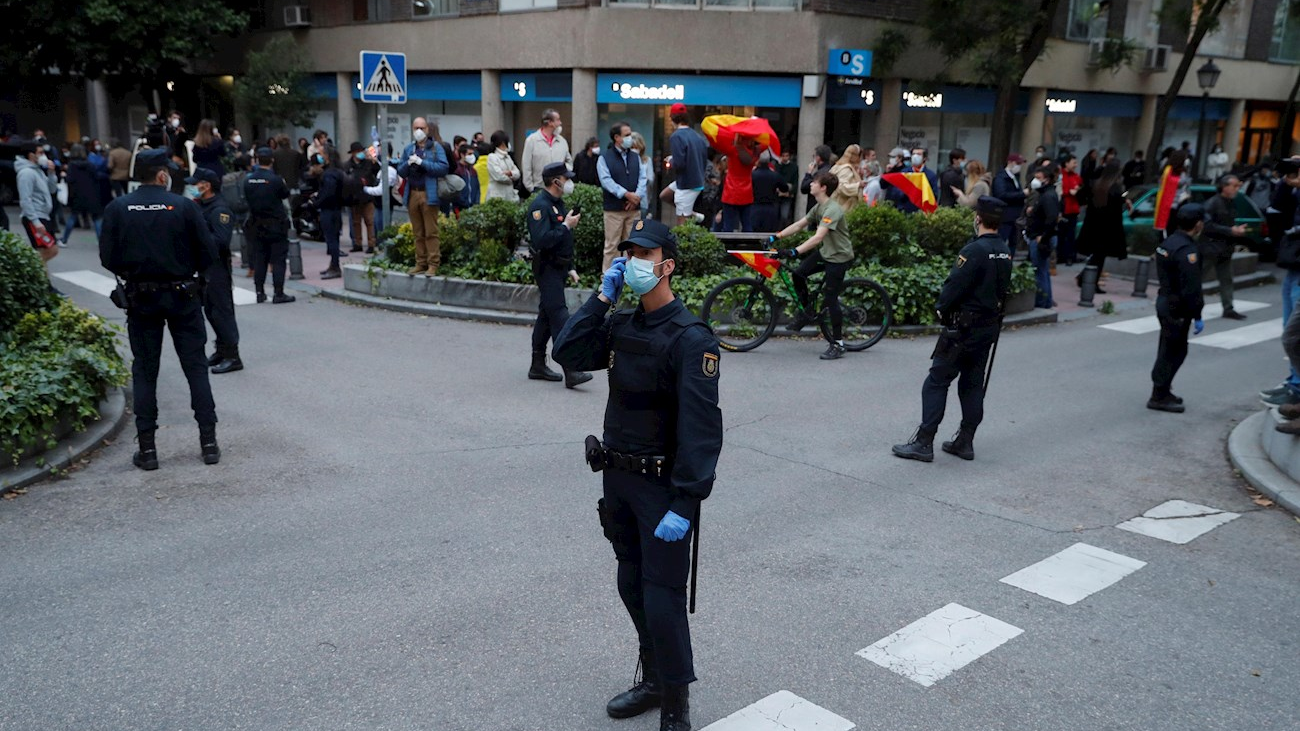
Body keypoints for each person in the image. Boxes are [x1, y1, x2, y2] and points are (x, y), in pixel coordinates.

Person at [551, 218, 722, 731]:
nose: (634, 264)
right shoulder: (623, 323)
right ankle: (651, 679)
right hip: (618, 480)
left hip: (662, 489)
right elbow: (569, 352)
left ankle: (675, 703)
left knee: (663, 598)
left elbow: (702, 429)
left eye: (644, 256)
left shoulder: (692, 339)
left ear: (667, 265)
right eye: (629, 254)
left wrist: (687, 502)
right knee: (631, 584)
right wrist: (600, 300)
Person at [99, 149, 221, 469]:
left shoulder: (117, 208)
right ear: (162, 175)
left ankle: (149, 450)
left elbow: (107, 257)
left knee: (145, 371)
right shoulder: (183, 206)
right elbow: (208, 252)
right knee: (195, 367)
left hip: (141, 299)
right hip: (184, 296)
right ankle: (209, 443)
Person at [893, 196, 1013, 462]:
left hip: (962, 328)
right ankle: (965, 441)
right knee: (972, 384)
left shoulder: (973, 250)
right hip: (987, 327)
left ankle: (924, 442)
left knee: (936, 381)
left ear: (978, 218)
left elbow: (953, 286)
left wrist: (942, 309)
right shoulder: (1005, 250)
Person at [770, 171, 855, 360]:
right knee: (798, 274)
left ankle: (838, 344)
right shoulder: (819, 207)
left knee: (830, 300)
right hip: (826, 253)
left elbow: (818, 237)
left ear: (823, 187)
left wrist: (795, 251)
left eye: (814, 182)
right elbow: (799, 225)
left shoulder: (832, 209)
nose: (810, 184)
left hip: (839, 257)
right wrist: (777, 236)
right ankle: (806, 313)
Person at [526, 162, 592, 389]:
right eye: (566, 178)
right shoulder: (540, 206)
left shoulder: (557, 203)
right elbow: (541, 240)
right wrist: (566, 226)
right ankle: (571, 370)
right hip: (547, 268)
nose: (569, 182)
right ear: (556, 181)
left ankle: (537, 364)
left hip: (559, 267)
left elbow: (564, 240)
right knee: (560, 316)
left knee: (546, 315)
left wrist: (571, 266)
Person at [1148, 204, 1206, 413]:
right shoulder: (1187, 250)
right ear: (1198, 224)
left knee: (1168, 348)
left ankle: (1163, 390)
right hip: (1177, 308)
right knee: (1174, 352)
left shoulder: (1168, 243)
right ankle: (1159, 395)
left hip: (1165, 302)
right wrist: (1197, 313)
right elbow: (1191, 287)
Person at [184, 168, 242, 375]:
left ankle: (233, 355)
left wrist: (197, 237)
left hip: (216, 267)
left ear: (206, 186)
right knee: (210, 310)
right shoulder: (201, 206)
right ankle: (222, 349)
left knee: (221, 311)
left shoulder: (219, 210)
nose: (192, 187)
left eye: (195, 183)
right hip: (203, 267)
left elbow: (220, 241)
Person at [243, 147, 297, 304]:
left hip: (256, 224)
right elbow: (285, 195)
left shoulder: (248, 180)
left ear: (257, 160)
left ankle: (259, 292)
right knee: (278, 259)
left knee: (260, 259)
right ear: (272, 160)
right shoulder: (276, 180)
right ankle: (278, 293)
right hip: (276, 224)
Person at [397, 117, 450, 276]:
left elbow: (443, 168)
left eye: (422, 128)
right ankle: (420, 263)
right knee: (417, 232)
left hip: (429, 193)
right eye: (416, 128)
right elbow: (401, 171)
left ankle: (433, 264)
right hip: (412, 192)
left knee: (431, 232)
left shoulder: (435, 148)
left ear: (428, 129)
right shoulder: (408, 149)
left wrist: (422, 163)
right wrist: (409, 163)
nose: (419, 131)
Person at [598, 121, 648, 271]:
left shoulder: (635, 157)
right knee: (612, 246)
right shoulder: (604, 158)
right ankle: (609, 280)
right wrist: (626, 195)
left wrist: (636, 197)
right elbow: (606, 181)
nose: (630, 138)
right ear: (617, 138)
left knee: (633, 245)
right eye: (627, 135)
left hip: (633, 210)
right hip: (614, 210)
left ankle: (631, 279)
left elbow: (642, 178)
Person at [1076, 159, 1129, 292]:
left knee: (1097, 255)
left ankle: (1086, 278)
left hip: (1094, 224)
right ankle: (1089, 280)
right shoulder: (1114, 187)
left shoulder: (1096, 184)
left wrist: (1088, 204)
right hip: (1107, 227)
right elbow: (1116, 207)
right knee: (1100, 256)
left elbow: (1080, 196)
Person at [1201, 174, 1248, 320]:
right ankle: (1185, 305)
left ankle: (1228, 308)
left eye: (1238, 186)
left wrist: (1235, 230)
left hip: (1225, 247)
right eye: (1234, 186)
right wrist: (1231, 230)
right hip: (1210, 248)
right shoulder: (1212, 203)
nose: (1237, 189)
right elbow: (1207, 226)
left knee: (1226, 279)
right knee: (1196, 278)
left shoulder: (1230, 203)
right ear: (1224, 187)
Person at [15, 141, 60, 277]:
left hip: (44, 215)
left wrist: (52, 173)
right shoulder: (26, 173)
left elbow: (52, 189)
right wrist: (35, 221)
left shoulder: (38, 170)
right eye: (40, 153)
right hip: (35, 216)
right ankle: (31, 275)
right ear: (31, 155)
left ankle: (43, 283)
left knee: (46, 250)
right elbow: (25, 199)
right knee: (49, 250)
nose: (44, 156)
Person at [666, 103, 709, 226]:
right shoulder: (697, 136)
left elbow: (679, 163)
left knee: (681, 222)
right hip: (697, 179)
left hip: (686, 183)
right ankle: (693, 214)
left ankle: (689, 214)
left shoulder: (676, 137)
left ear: (672, 118)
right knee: (665, 195)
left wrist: (671, 161)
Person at [1025, 165, 1060, 309]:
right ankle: (1045, 300)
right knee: (1042, 270)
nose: (1035, 181)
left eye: (1038, 178)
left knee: (1040, 271)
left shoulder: (1048, 196)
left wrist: (1042, 236)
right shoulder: (1045, 194)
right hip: (1040, 236)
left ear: (1047, 179)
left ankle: (1041, 301)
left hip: (1041, 237)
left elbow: (1052, 219)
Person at [62, 144, 104, 244]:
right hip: (91, 194)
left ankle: (64, 239)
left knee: (73, 217)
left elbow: (70, 180)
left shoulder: (72, 165)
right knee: (96, 219)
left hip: (77, 194)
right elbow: (96, 177)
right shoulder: (90, 164)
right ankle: (102, 241)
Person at [521, 108, 572, 193]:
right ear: (550, 122)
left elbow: (569, 161)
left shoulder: (562, 141)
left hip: (559, 188)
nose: (560, 123)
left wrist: (563, 174)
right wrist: (531, 188)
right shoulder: (532, 140)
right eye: (558, 120)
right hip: (539, 188)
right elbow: (526, 166)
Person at [314, 149, 346, 278]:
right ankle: (333, 265)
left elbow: (328, 193)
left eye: (322, 154)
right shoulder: (338, 172)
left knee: (331, 239)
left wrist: (316, 202)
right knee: (334, 238)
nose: (320, 157)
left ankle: (335, 267)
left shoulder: (329, 174)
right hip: (336, 208)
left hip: (329, 209)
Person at [718, 133, 758, 233]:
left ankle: (728, 247)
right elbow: (766, 144)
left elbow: (718, 144)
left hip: (730, 192)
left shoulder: (732, 151)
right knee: (747, 224)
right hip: (747, 192)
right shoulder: (754, 153)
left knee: (728, 225)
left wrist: (735, 138)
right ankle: (748, 246)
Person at [345, 142, 379, 253]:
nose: (361, 154)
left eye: (361, 151)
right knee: (356, 222)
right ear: (354, 153)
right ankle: (357, 243)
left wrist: (374, 161)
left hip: (368, 197)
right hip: (354, 198)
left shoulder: (369, 163)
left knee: (370, 221)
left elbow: (378, 171)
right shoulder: (347, 166)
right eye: (358, 151)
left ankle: (371, 244)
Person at [885, 147, 940, 214]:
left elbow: (934, 196)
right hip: (904, 211)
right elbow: (895, 192)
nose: (915, 156)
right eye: (913, 154)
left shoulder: (931, 176)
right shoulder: (904, 173)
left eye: (918, 154)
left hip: (921, 213)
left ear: (924, 158)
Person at [992, 154, 1027, 248]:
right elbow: (1001, 195)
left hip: (1014, 216)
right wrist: (1022, 194)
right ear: (1010, 162)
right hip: (1005, 216)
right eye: (1018, 163)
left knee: (1013, 242)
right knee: (1002, 241)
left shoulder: (1014, 177)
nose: (1019, 166)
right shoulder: (1001, 178)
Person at [749, 150, 788, 232]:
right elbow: (785, 188)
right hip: (771, 207)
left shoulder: (752, 175)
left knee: (753, 233)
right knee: (768, 233)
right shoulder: (775, 175)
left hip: (755, 206)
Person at [1057, 154, 1083, 265]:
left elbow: (1081, 187)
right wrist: (1069, 192)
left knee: (1071, 234)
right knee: (1061, 234)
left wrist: (1079, 190)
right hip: (1063, 208)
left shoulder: (1076, 176)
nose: (1075, 165)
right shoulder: (1060, 175)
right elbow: (1060, 190)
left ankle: (1070, 256)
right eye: (1074, 162)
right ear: (1066, 163)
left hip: (1073, 209)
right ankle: (1060, 256)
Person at [486, 130, 522, 201]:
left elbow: (517, 173)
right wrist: (512, 178)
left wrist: (510, 173)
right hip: (497, 196)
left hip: (510, 195)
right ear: (503, 143)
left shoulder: (508, 157)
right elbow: (499, 176)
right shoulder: (492, 157)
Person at [829, 144, 863, 213]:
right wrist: (858, 185)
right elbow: (841, 187)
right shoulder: (846, 169)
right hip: (843, 207)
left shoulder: (838, 166)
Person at [800, 145, 834, 213]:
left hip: (815, 207)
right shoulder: (831, 170)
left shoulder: (819, 174)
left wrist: (809, 173)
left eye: (814, 156)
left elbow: (804, 188)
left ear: (818, 158)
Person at [630, 132, 653, 218]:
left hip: (642, 200)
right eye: (632, 147)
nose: (634, 150)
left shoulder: (646, 160)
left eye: (636, 147)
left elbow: (650, 179)